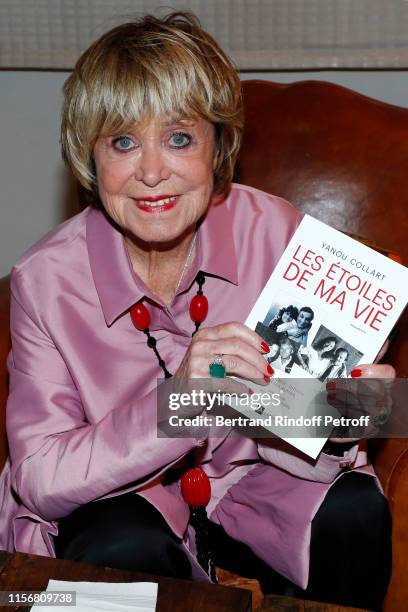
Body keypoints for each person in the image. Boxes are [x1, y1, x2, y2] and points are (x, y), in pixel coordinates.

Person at [0, 12, 394, 611]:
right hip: (122, 508)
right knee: (116, 541)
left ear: (218, 145)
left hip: (255, 487)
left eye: (179, 138)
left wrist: (349, 411)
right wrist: (180, 402)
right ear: (90, 156)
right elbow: (40, 478)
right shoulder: (45, 283)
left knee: (354, 510)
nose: (152, 172)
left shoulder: (274, 230)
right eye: (124, 141)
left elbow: (295, 420)